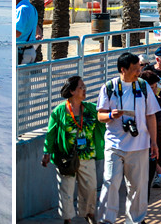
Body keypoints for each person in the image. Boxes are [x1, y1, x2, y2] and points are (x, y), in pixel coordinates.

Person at [97, 53, 160, 224]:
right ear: (122, 70)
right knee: (110, 182)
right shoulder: (109, 87)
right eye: (134, 69)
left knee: (137, 187)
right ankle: (106, 220)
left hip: (139, 145)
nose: (138, 72)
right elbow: (100, 116)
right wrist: (111, 114)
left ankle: (134, 221)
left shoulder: (144, 86)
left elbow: (151, 116)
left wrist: (154, 142)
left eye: (139, 68)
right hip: (114, 145)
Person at [43, 76, 105, 224]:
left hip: (87, 155)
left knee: (90, 188)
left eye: (84, 87)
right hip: (67, 158)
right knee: (66, 190)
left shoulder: (90, 108)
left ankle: (88, 213)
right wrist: (47, 152)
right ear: (72, 91)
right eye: (81, 88)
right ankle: (68, 219)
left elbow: (103, 121)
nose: (85, 90)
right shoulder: (59, 111)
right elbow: (51, 133)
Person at [16, 0, 41, 64]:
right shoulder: (31, 8)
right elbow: (37, 27)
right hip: (29, 50)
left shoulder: (22, 9)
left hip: (21, 52)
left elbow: (17, 32)